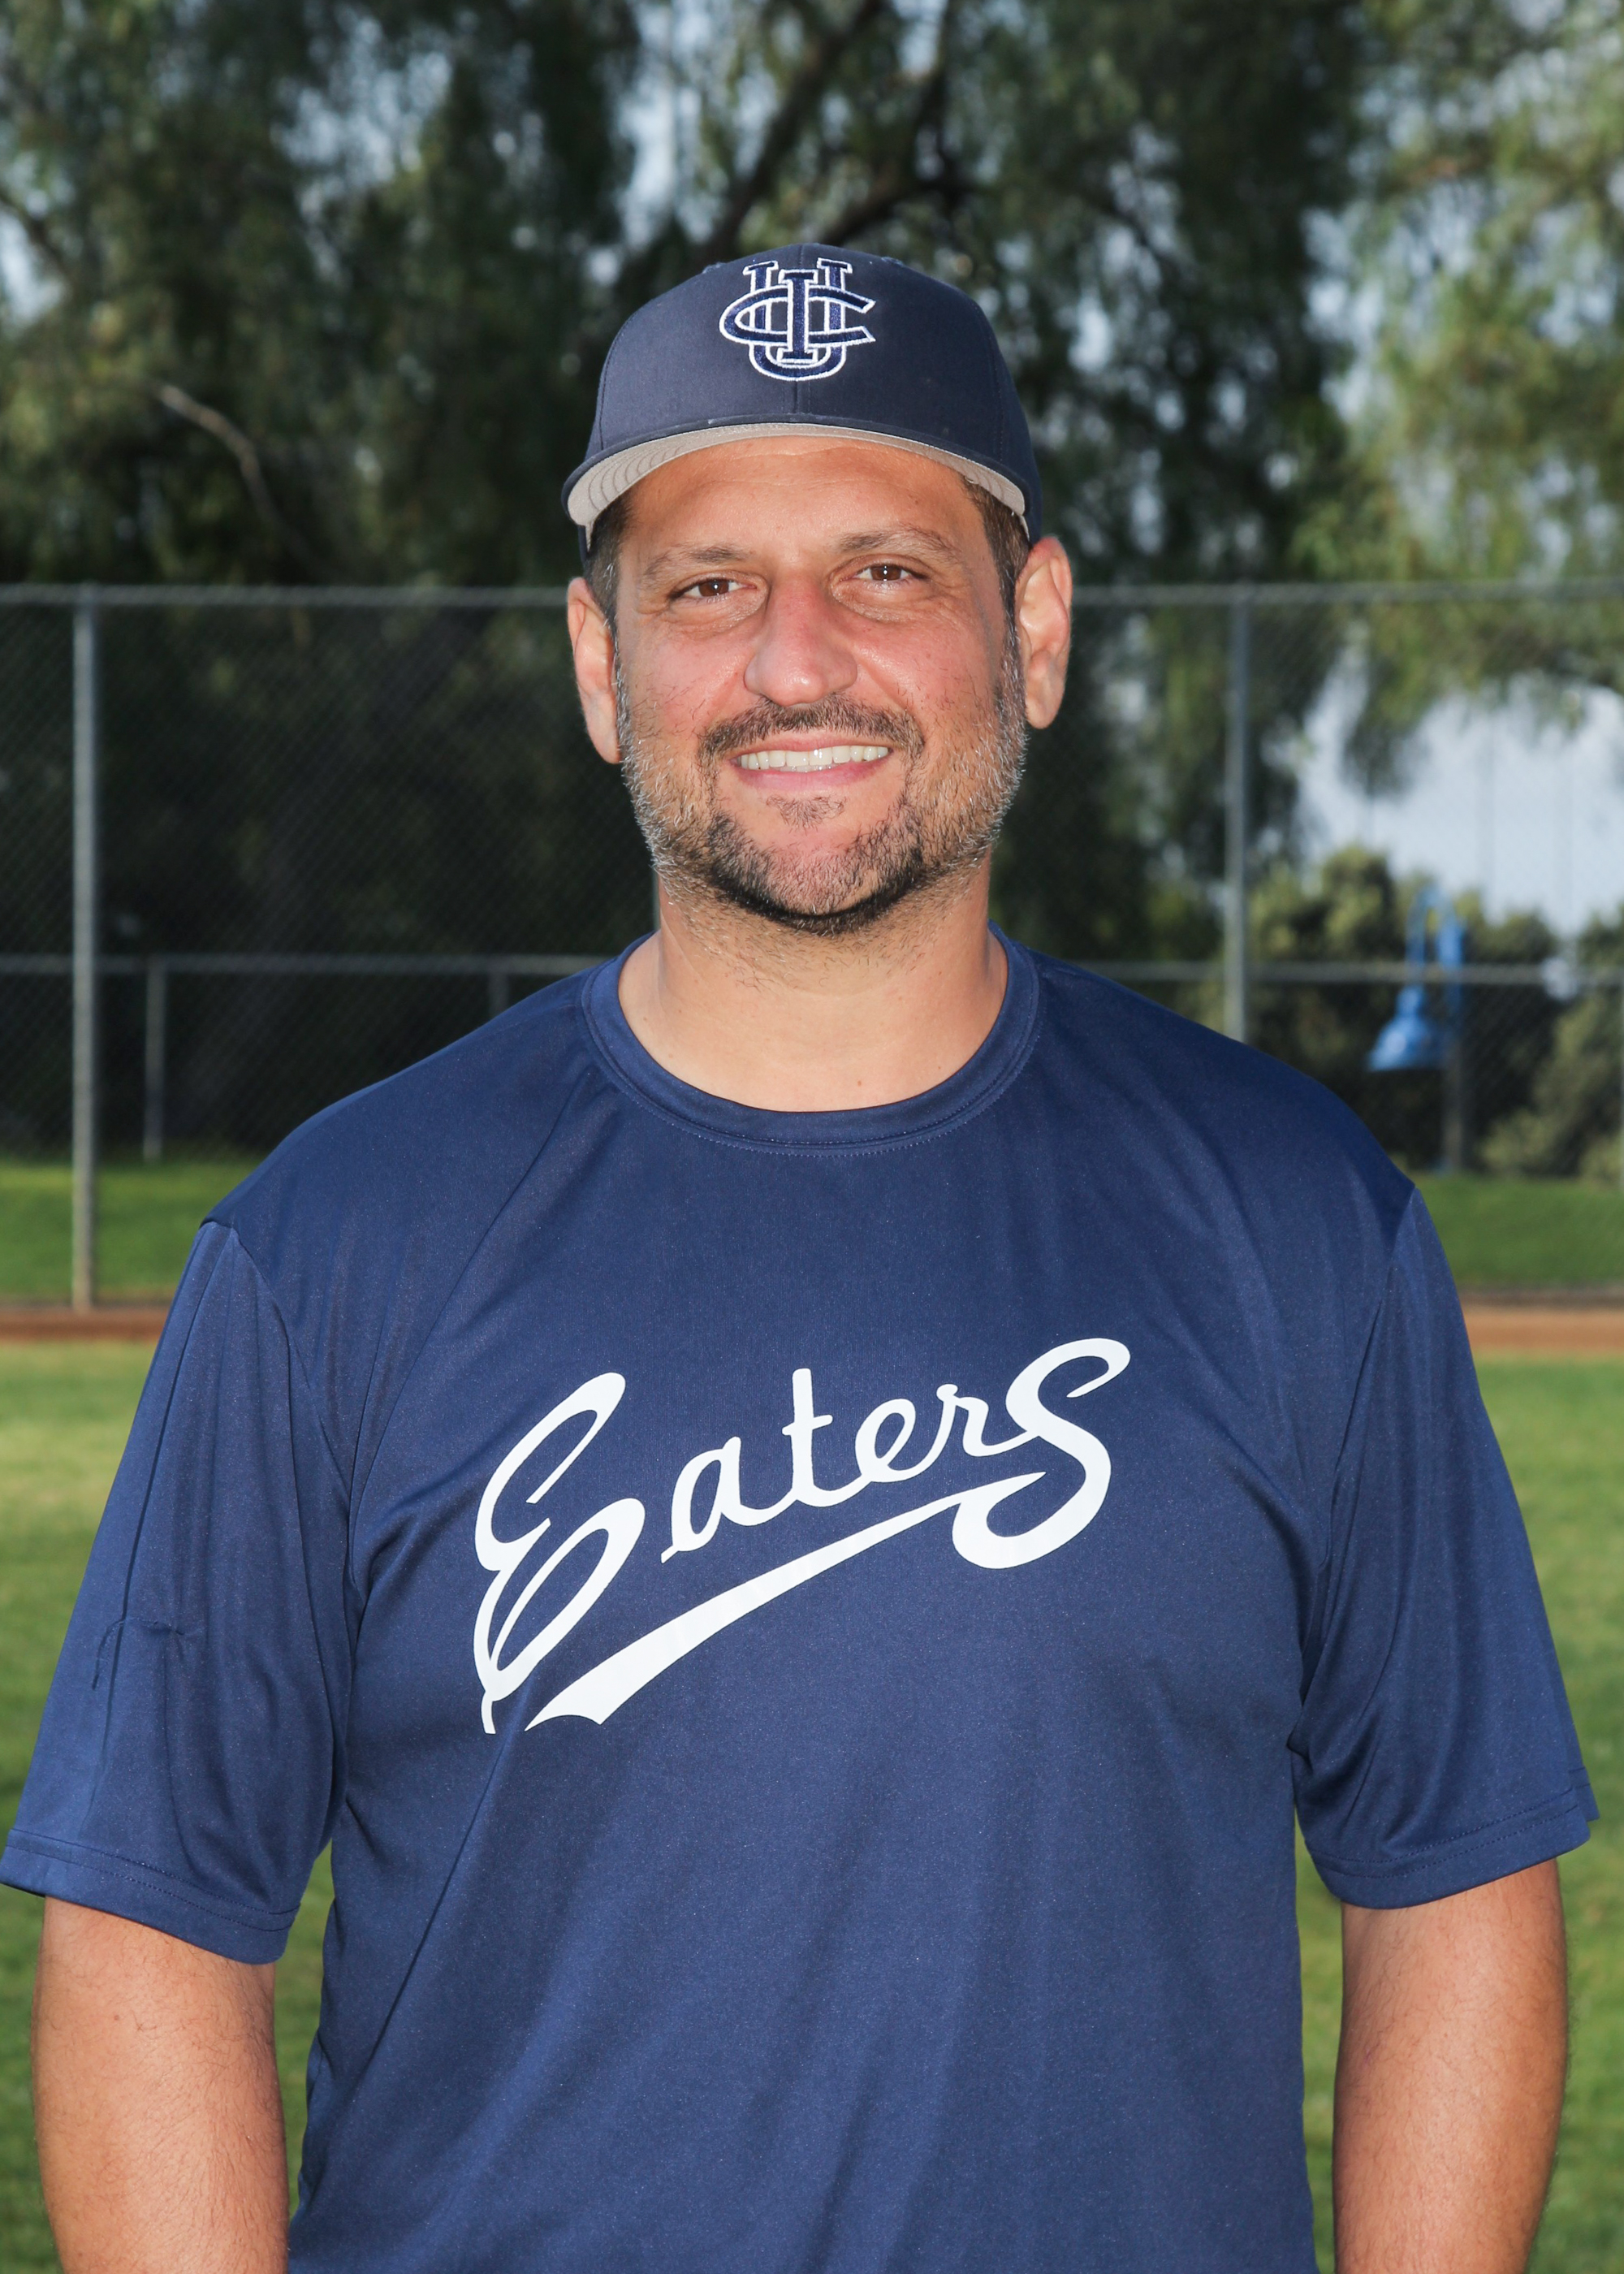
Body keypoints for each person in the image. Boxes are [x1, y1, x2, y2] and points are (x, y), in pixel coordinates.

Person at [6, 246, 1592, 2274]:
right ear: (602, 665)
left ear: (1033, 628)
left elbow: (1450, 1878)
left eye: (886, 571)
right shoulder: (336, 1243)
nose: (795, 660)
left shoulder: (1296, 1221)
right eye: (705, 586)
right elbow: (152, 1921)